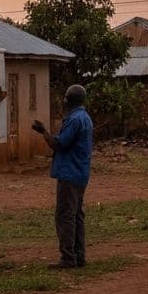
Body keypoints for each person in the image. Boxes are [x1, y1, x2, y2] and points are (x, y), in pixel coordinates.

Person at [32, 85, 94, 269]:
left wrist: (43, 132)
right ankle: (79, 255)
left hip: (70, 173)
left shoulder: (74, 119)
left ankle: (68, 258)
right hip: (81, 172)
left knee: (65, 215)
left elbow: (59, 144)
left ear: (68, 100)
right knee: (76, 215)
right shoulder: (85, 118)